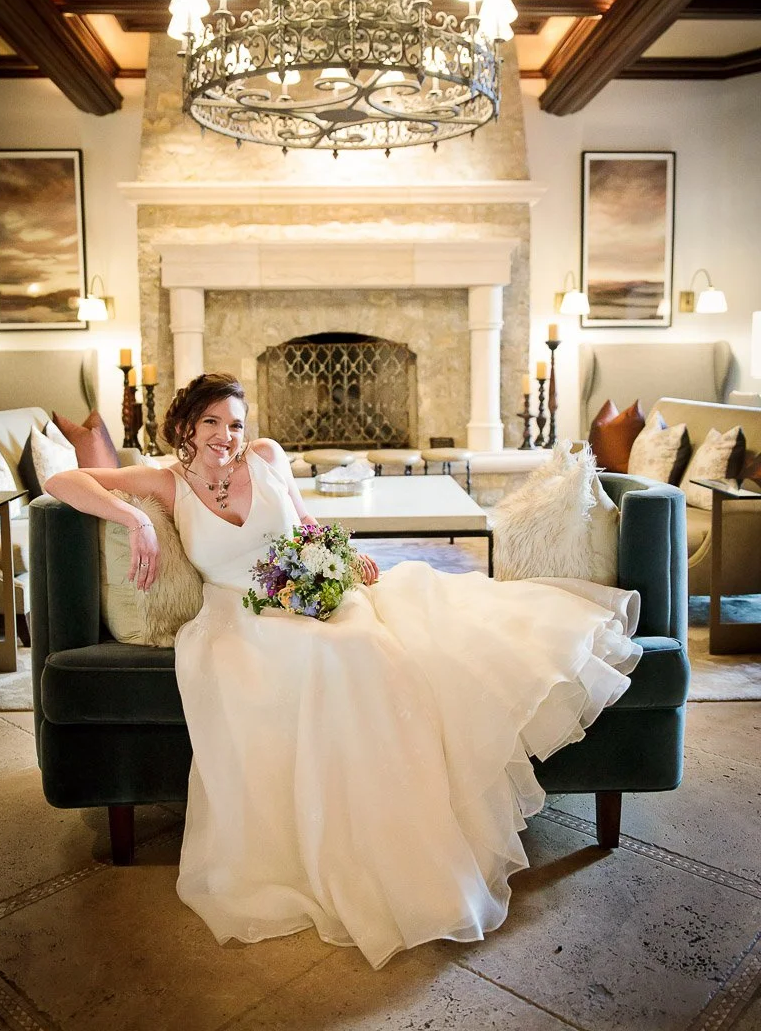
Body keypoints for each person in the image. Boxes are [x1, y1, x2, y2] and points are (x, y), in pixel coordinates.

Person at [46, 371, 642, 970]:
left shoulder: (268, 457)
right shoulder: (163, 481)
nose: (226, 436)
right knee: (325, 662)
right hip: (241, 618)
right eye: (212, 423)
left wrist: (343, 558)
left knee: (374, 651)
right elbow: (60, 478)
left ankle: (407, 848)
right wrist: (138, 520)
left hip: (312, 590)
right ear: (186, 426)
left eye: (235, 424)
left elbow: (308, 529)